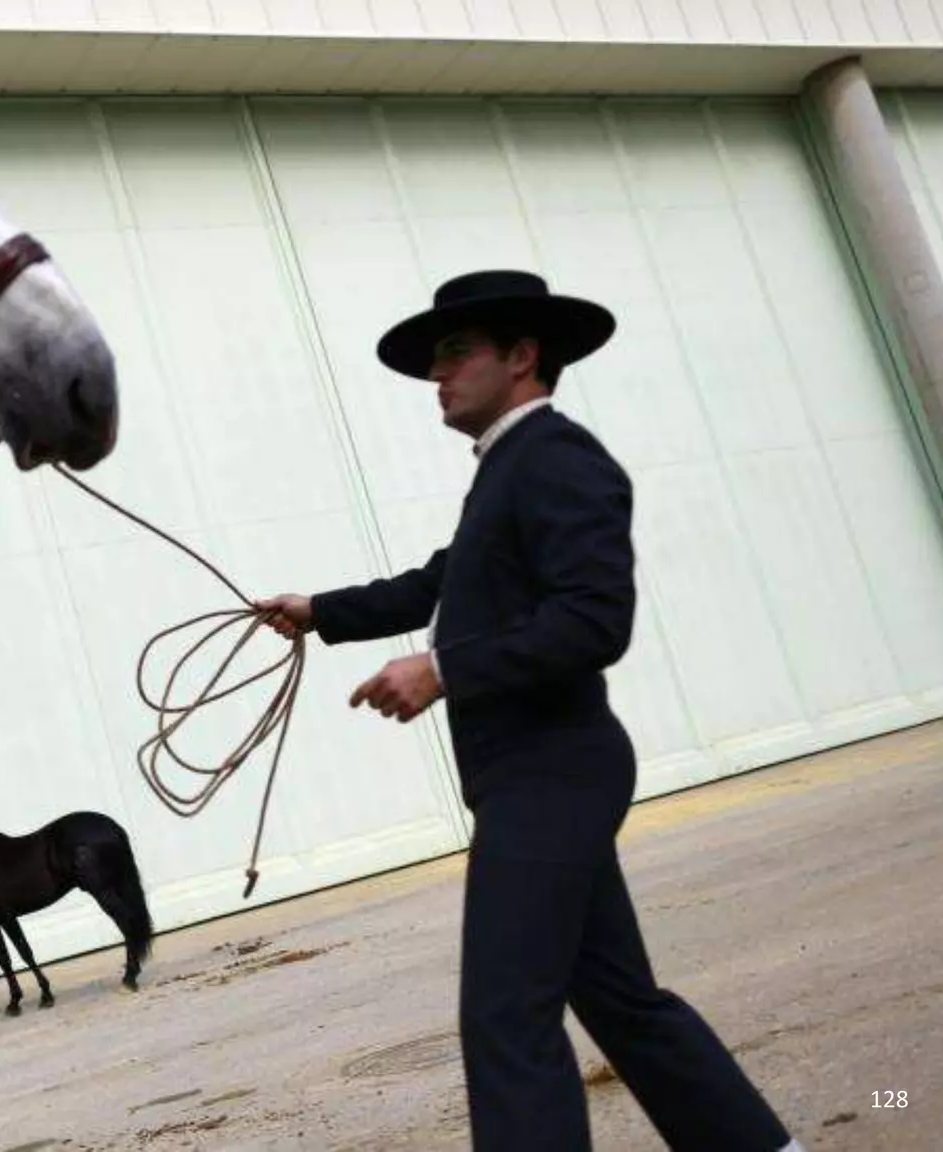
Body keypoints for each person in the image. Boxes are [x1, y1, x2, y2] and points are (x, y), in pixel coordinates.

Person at [256, 270, 800, 1152]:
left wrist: (443, 669)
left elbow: (593, 620)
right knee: (624, 1004)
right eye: (435, 357)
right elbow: (440, 582)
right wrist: (319, 610)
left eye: (457, 351)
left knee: (507, 1015)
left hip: (553, 771)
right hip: (539, 773)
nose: (439, 373)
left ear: (522, 355)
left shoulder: (558, 460)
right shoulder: (508, 469)